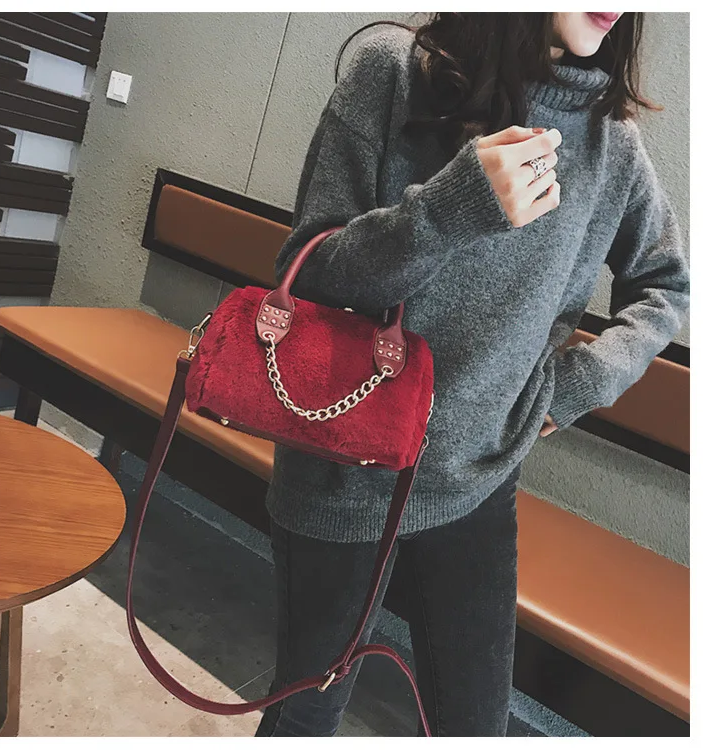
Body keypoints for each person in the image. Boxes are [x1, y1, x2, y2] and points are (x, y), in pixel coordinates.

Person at [254, 12, 690, 737]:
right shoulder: (395, 71)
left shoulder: (609, 140)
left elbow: (666, 285)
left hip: (479, 477)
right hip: (342, 462)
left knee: (475, 727)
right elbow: (312, 274)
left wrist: (574, 387)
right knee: (306, 710)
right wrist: (452, 211)